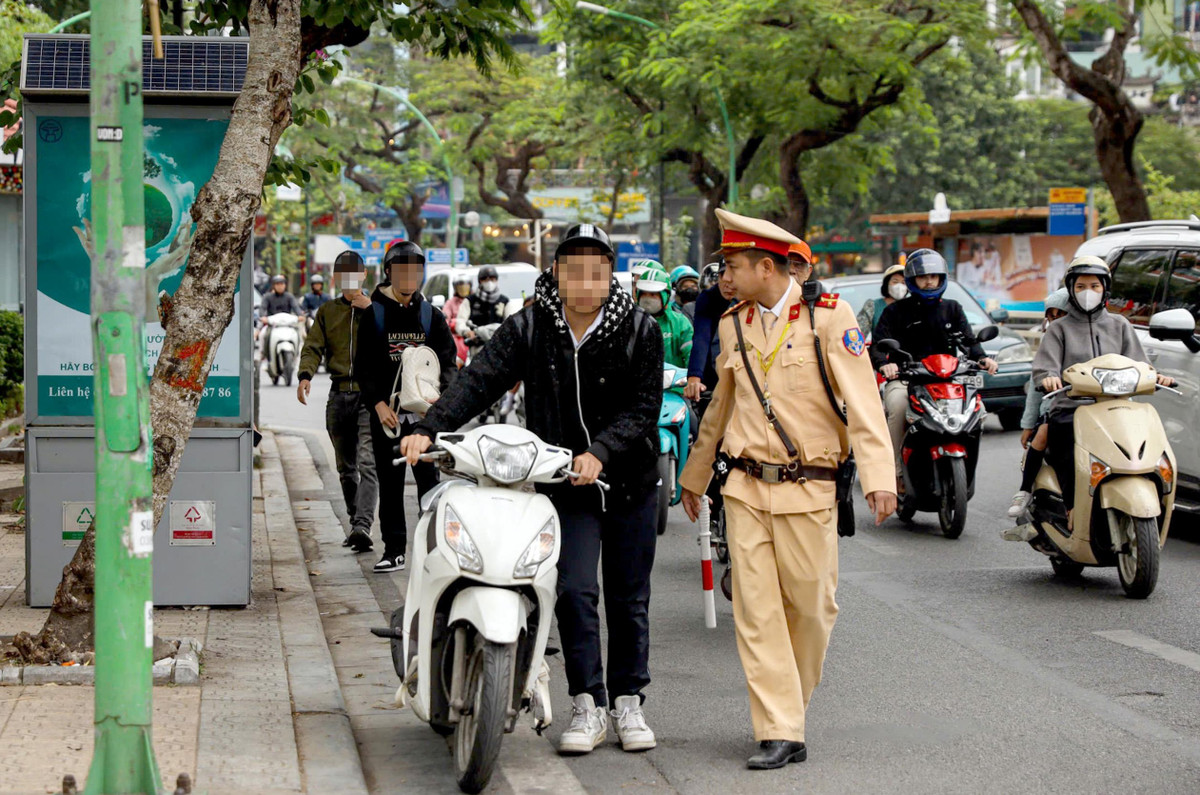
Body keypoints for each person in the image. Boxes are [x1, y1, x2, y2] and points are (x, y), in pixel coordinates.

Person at [401, 222, 664, 756]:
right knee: (574, 591)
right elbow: (479, 379)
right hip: (565, 486)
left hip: (629, 483)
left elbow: (643, 407)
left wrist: (602, 451)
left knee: (629, 599)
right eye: (574, 269)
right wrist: (430, 427)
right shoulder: (531, 325)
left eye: (597, 269)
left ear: (610, 274)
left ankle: (628, 702)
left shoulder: (640, 328)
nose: (585, 280)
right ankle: (587, 703)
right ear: (557, 273)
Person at [678, 208, 896, 770]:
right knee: (756, 613)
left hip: (810, 489)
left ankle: (789, 712)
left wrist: (879, 477)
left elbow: (863, 402)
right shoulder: (734, 325)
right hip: (745, 488)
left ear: (766, 267)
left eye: (733, 266)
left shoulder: (828, 317)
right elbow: (720, 409)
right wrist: (695, 476)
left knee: (813, 609)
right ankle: (779, 728)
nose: (725, 277)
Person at [1032, 256, 1174, 530]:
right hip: (1071, 407)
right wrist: (1048, 377)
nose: (1088, 292)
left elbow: (1140, 363)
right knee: (1066, 442)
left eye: (1094, 286)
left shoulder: (1120, 325)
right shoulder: (1059, 329)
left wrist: (1157, 376)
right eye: (1081, 286)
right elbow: (1045, 365)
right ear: (1071, 290)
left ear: (1105, 289)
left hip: (1118, 407)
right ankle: (1072, 506)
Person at [355, 240, 458, 573]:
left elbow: (448, 364)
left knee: (430, 486)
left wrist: (441, 406)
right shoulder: (374, 315)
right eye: (402, 270)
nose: (409, 276)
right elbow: (363, 367)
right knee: (390, 485)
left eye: (415, 270)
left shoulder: (432, 317)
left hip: (425, 421)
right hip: (388, 419)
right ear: (389, 272)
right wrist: (378, 404)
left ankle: (434, 551)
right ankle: (394, 550)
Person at [870, 249, 999, 484]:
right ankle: (896, 474)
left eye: (934, 276)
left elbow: (969, 342)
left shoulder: (953, 308)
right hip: (907, 379)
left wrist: (982, 358)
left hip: (946, 380)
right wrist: (884, 365)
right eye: (923, 277)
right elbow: (878, 346)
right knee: (898, 406)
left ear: (942, 278)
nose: (929, 281)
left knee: (978, 410)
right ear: (913, 279)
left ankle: (966, 466)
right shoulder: (894, 311)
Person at [297, 251, 378, 550]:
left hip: (370, 397)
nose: (349, 279)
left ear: (364, 275)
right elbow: (312, 346)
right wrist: (305, 375)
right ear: (336, 278)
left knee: (368, 463)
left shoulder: (380, 308)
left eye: (354, 273)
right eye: (343, 273)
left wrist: (372, 311)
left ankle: (363, 525)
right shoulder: (327, 311)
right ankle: (356, 521)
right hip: (338, 396)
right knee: (346, 468)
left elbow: (393, 343)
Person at [1007, 288, 1069, 518]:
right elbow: (1036, 385)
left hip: (1093, 406)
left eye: (1061, 314)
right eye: (1052, 316)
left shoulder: (1102, 332)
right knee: (1043, 434)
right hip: (1056, 408)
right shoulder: (1049, 341)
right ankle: (1025, 490)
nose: (1056, 321)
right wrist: (1028, 424)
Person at [635, 265, 693, 369]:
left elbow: (691, 355)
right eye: (644, 294)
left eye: (653, 294)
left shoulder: (680, 323)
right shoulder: (630, 322)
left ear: (666, 295)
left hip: (673, 379)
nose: (647, 299)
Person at [856, 263, 907, 339]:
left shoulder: (913, 306)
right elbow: (858, 336)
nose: (899, 286)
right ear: (886, 284)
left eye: (903, 283)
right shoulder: (872, 306)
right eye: (895, 282)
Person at [260, 274, 302, 362]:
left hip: (287, 325)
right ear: (273, 286)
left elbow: (296, 307)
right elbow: (263, 308)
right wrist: (263, 317)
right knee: (263, 334)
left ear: (285, 285)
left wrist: (300, 315)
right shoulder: (268, 297)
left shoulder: (289, 296)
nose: (280, 286)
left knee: (298, 334)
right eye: (277, 284)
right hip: (272, 325)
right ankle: (263, 355)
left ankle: (297, 354)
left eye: (282, 284)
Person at [442, 272, 473, 364]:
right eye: (460, 286)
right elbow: (445, 320)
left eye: (466, 285)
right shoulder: (450, 303)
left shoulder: (475, 300)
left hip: (475, 335)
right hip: (457, 337)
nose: (463, 288)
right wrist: (454, 324)